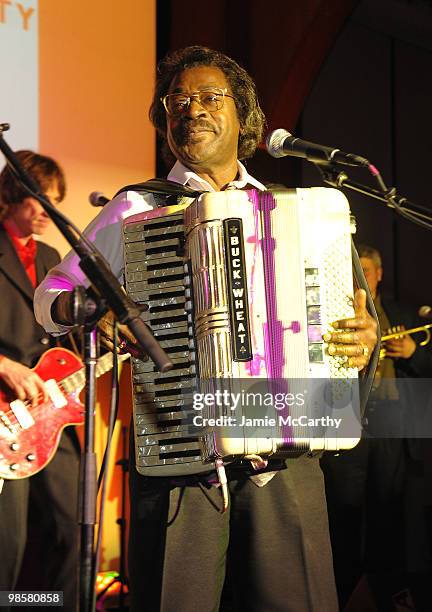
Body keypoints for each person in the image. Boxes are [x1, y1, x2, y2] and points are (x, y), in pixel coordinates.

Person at [34, 46, 377, 612]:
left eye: (208, 96)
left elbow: (352, 322)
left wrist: (356, 343)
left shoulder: (296, 215)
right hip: (181, 460)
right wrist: (98, 309)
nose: (190, 109)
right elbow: (53, 296)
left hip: (286, 461)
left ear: (241, 114)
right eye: (177, 101)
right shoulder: (137, 208)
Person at [321, 244, 432, 610]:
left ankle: (388, 592)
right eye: (356, 272)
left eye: (367, 271)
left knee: (389, 511)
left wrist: (414, 353)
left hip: (392, 424)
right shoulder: (334, 312)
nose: (361, 278)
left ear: (380, 274)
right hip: (350, 419)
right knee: (344, 510)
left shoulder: (403, 313)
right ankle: (340, 590)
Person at [0, 151, 80, 612]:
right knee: (7, 543)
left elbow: (59, 343)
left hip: (48, 415)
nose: (48, 210)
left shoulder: (52, 257)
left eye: (54, 201)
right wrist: (4, 365)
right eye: (39, 199)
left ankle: (43, 605)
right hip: (5, 415)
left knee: (70, 527)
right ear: (12, 195)